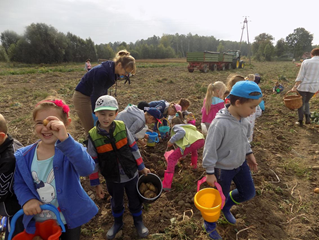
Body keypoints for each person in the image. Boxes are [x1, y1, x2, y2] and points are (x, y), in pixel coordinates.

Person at [13, 97, 98, 240]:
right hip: (38, 219)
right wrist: (27, 200)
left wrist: (66, 140)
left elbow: (87, 169)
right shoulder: (23, 156)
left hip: (68, 219)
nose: (46, 128)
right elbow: (19, 182)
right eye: (39, 123)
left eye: (52, 123)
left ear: (66, 124)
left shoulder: (70, 151)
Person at [202, 81, 262, 239]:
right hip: (222, 169)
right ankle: (209, 224)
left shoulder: (244, 120)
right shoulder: (220, 124)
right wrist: (209, 172)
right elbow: (209, 150)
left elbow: (244, 140)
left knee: (248, 192)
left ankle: (226, 206)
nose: (254, 111)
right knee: (216, 199)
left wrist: (249, 154)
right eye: (252, 107)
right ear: (237, 102)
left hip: (240, 163)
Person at [87, 95, 151, 239]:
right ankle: (117, 223)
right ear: (95, 113)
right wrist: (96, 184)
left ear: (116, 114)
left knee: (134, 199)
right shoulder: (93, 136)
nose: (106, 118)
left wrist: (142, 167)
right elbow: (93, 162)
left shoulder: (122, 127)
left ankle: (138, 221)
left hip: (131, 173)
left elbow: (133, 147)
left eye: (110, 114)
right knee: (116, 201)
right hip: (112, 177)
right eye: (102, 114)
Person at [73, 49, 136, 134]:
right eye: (126, 72)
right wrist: (97, 113)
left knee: (101, 127)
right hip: (82, 97)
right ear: (120, 65)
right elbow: (96, 95)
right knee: (91, 129)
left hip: (92, 95)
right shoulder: (102, 72)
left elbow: (102, 91)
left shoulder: (113, 72)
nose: (126, 75)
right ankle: (90, 145)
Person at [163, 111, 205, 191]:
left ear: (173, 124)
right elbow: (185, 144)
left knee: (172, 158)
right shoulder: (188, 126)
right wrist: (182, 154)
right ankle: (194, 166)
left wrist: (171, 141)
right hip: (200, 140)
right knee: (193, 149)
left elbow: (181, 133)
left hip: (192, 143)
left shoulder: (176, 127)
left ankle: (166, 185)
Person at [0, 114, 24, 240]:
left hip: (15, 204)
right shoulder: (5, 143)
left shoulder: (9, 159)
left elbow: (2, 193)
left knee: (15, 233)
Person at [291, 48, 319, 127]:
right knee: (306, 102)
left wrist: (295, 87)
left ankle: (300, 121)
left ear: (311, 54)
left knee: (300, 103)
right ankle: (308, 118)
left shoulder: (306, 62)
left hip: (303, 86)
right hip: (314, 87)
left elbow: (300, 76)